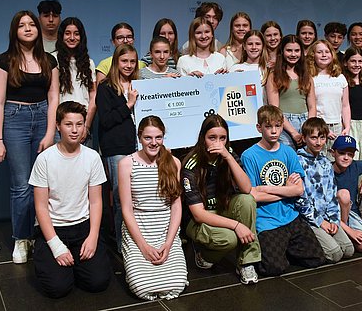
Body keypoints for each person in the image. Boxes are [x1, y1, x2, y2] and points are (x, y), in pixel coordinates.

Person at [0, 10, 59, 264]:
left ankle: (41, 234)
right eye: (22, 25)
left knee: (43, 182)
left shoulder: (49, 61)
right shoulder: (4, 61)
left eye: (32, 24)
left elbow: (54, 98)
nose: (28, 28)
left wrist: (52, 131)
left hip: (43, 118)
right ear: (15, 31)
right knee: (21, 185)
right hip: (15, 119)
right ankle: (22, 238)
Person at [30, 101, 110, 298]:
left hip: (83, 227)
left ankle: (75, 261)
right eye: (68, 124)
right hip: (54, 229)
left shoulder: (92, 157)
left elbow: (96, 202)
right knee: (58, 288)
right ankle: (51, 257)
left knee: (97, 282)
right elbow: (40, 207)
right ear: (58, 125)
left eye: (79, 124)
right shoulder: (45, 159)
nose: (74, 130)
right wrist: (56, 246)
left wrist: (92, 237)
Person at [241, 105, 325, 276]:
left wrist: (269, 189)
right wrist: (286, 189)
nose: (274, 131)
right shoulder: (249, 155)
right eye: (268, 126)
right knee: (274, 268)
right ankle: (277, 251)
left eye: (278, 126)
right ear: (259, 128)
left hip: (290, 215)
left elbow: (298, 190)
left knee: (317, 258)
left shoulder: (288, 152)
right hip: (267, 221)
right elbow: (254, 195)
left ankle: (285, 248)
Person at [181, 115, 261, 285]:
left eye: (222, 138)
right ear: (203, 138)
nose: (217, 143)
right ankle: (204, 256)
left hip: (223, 208)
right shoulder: (191, 165)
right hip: (199, 219)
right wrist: (237, 225)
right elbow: (198, 215)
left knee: (247, 200)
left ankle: (246, 262)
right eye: (212, 138)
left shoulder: (229, 154)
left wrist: (229, 158)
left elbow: (247, 189)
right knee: (229, 238)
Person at [119, 116, 187, 300]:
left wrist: (168, 242)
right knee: (141, 287)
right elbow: (126, 209)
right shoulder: (126, 164)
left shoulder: (174, 163)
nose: (154, 142)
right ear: (140, 137)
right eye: (148, 138)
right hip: (139, 229)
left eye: (158, 137)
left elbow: (176, 205)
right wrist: (143, 246)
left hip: (165, 229)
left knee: (178, 283)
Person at [96, 43, 139, 253]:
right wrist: (128, 105)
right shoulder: (105, 88)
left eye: (132, 61)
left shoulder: (140, 84)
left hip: (141, 146)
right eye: (124, 61)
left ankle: (139, 238)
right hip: (116, 148)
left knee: (139, 194)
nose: (128, 65)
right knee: (122, 197)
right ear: (115, 62)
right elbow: (105, 120)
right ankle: (124, 247)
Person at [296, 118, 354, 263]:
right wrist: (321, 222)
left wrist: (334, 220)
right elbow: (300, 199)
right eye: (314, 137)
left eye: (322, 138)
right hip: (309, 219)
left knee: (348, 250)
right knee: (335, 254)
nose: (318, 142)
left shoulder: (326, 163)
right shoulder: (298, 161)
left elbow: (332, 195)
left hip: (327, 217)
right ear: (304, 138)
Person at [265, 35, 316, 148]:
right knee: (288, 158)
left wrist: (308, 129)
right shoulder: (274, 76)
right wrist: (293, 132)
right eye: (289, 50)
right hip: (284, 124)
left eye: (297, 51)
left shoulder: (307, 76)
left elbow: (312, 106)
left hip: (305, 122)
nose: (293, 54)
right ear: (282, 52)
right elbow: (275, 109)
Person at [54, 17, 96, 141]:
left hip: (83, 121)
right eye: (67, 33)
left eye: (76, 34)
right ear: (61, 36)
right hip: (60, 122)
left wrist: (86, 125)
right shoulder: (52, 60)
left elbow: (93, 95)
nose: (72, 38)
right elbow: (51, 95)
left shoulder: (89, 62)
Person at [331, 135, 362, 253]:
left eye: (350, 154)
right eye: (342, 153)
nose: (346, 157)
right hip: (332, 214)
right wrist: (350, 231)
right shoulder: (326, 169)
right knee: (343, 194)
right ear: (333, 153)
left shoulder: (354, 165)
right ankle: (343, 231)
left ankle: (345, 235)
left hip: (351, 213)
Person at [306, 40, 350, 154]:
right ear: (313, 55)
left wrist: (347, 127)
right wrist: (324, 129)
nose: (324, 55)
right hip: (318, 128)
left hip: (338, 127)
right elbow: (310, 106)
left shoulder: (340, 78)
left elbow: (345, 105)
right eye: (320, 52)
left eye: (327, 51)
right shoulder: (310, 78)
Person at [342, 47, 362, 161]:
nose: (357, 65)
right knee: (350, 159)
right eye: (353, 61)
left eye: (360, 61)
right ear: (346, 63)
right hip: (350, 125)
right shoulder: (342, 82)